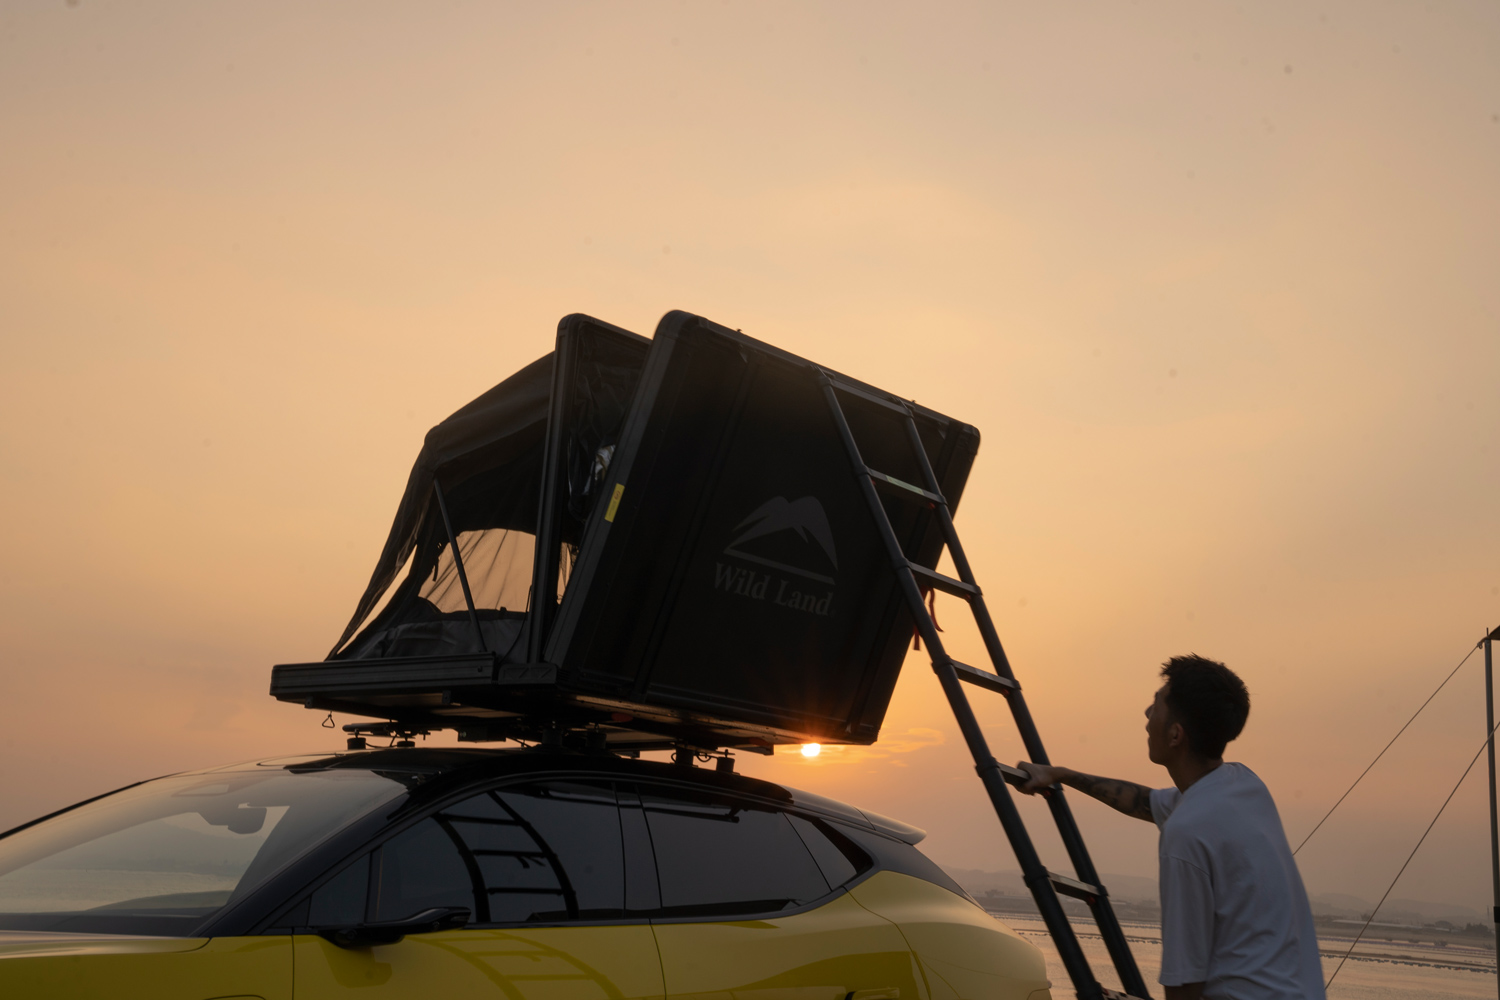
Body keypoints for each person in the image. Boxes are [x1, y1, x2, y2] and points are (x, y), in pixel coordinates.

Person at [1016, 654, 1324, 1000]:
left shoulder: (1186, 833)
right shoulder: (1244, 786)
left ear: (1176, 735)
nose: (1147, 717)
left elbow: (1184, 985)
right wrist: (1060, 775)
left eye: (1156, 707)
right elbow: (1145, 802)